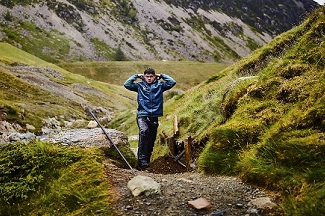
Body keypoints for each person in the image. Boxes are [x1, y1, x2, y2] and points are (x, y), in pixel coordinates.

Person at [124, 68, 176, 169]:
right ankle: (142, 160)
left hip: (154, 116)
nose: (149, 78)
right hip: (142, 115)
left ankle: (146, 161)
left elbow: (172, 82)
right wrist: (136, 76)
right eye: (147, 76)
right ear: (144, 77)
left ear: (154, 77)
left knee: (151, 139)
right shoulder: (139, 86)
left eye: (151, 76)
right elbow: (127, 84)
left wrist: (162, 75)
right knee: (144, 132)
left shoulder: (160, 86)